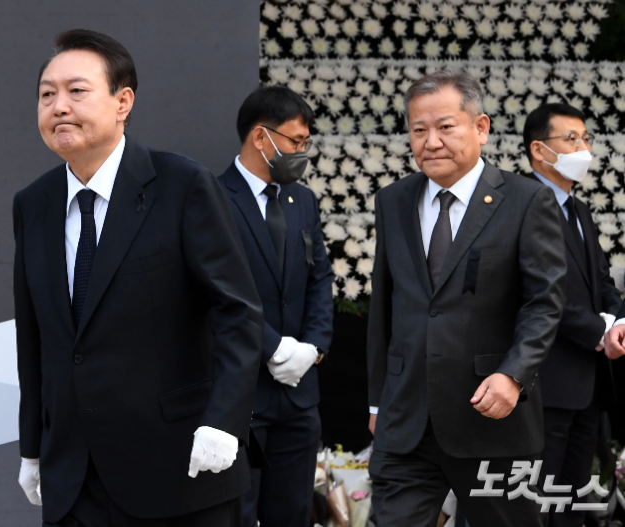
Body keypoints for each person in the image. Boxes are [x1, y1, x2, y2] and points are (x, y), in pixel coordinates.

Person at [14, 29, 264, 527]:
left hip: (178, 469)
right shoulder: (33, 204)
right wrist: (32, 448)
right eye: (47, 94)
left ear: (123, 101)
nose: (59, 106)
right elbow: (35, 335)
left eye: (76, 91)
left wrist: (224, 421)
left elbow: (238, 310)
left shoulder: (182, 185)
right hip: (73, 477)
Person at [366, 70, 567, 527]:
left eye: (445, 126)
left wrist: (514, 375)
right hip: (407, 421)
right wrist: (378, 400)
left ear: (481, 128)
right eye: (419, 130)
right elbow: (386, 307)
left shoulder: (525, 201)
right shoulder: (393, 201)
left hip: (491, 419)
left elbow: (544, 301)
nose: (430, 141)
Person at [218, 85, 334, 527]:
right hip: (242, 393)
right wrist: (273, 348)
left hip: (299, 395)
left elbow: (319, 278)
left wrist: (313, 347)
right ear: (261, 137)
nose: (302, 152)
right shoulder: (212, 197)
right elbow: (218, 292)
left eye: (306, 143)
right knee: (238, 515)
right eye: (295, 141)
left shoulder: (301, 200)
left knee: (293, 512)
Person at [522, 103, 622, 527]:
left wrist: (618, 322)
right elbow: (541, 292)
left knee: (575, 501)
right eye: (571, 139)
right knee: (539, 501)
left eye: (585, 138)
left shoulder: (578, 210)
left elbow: (601, 282)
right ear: (540, 150)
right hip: (546, 382)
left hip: (589, 381)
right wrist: (601, 330)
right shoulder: (522, 204)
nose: (583, 148)